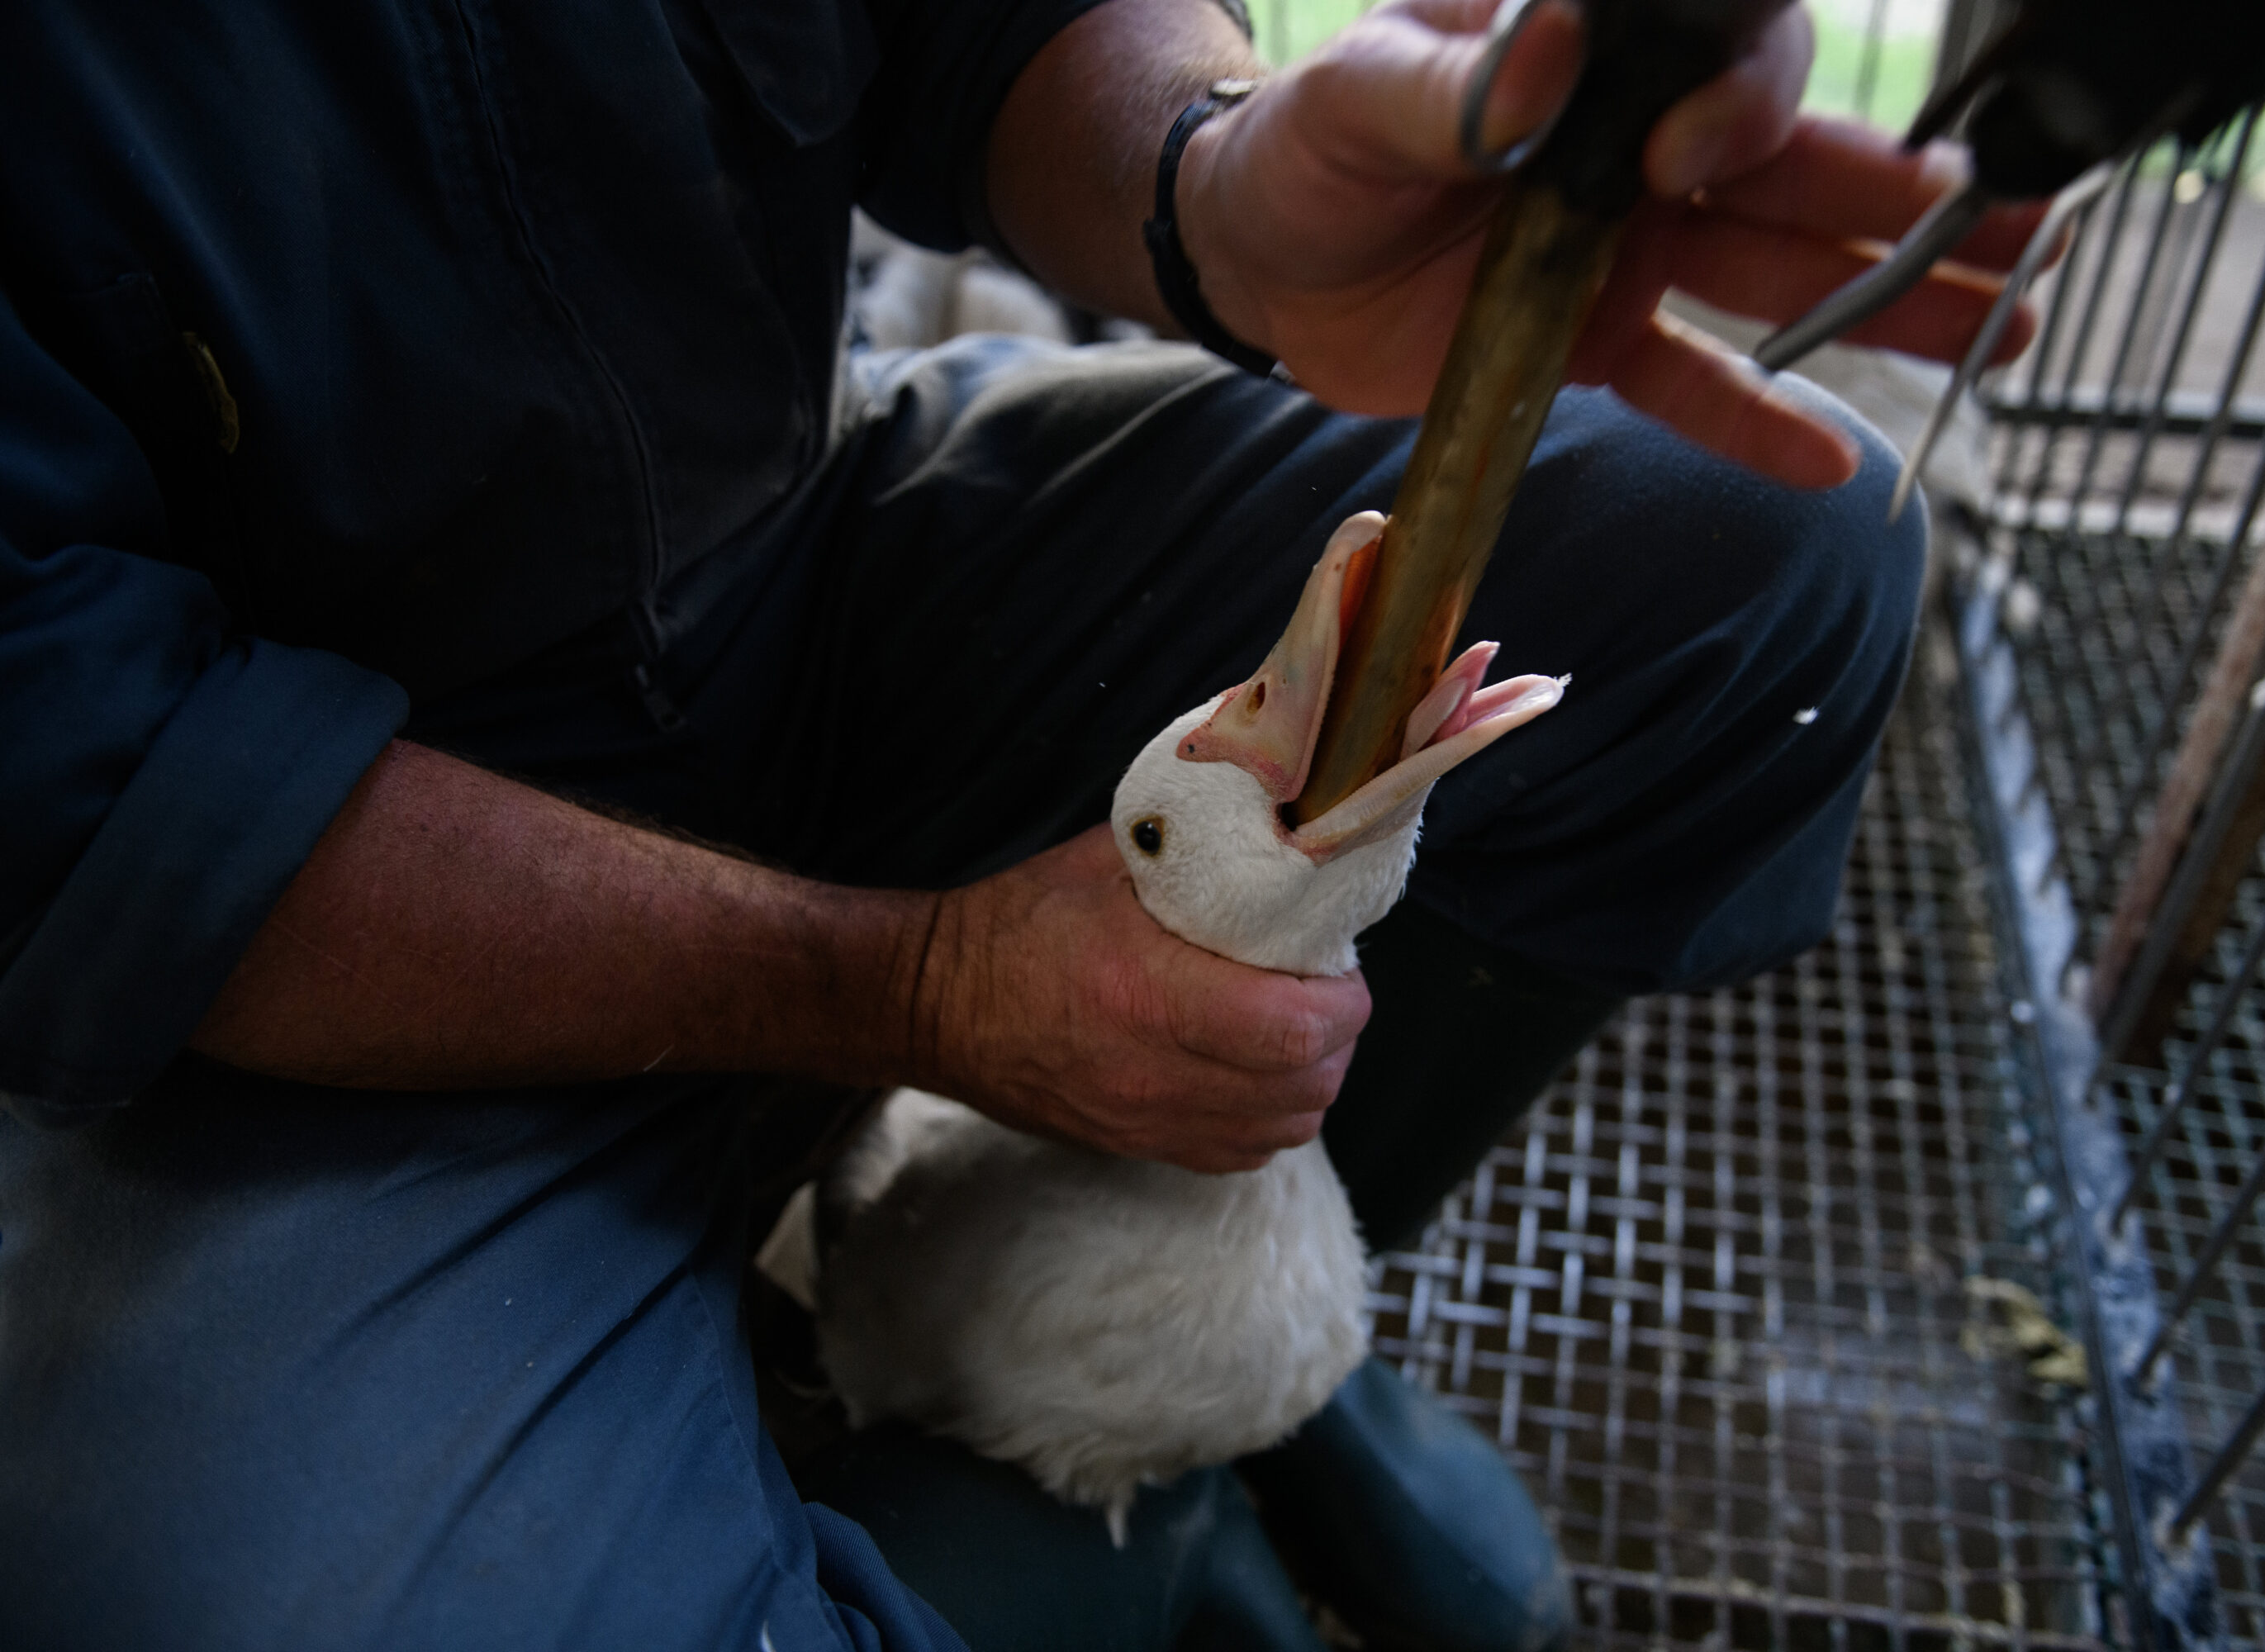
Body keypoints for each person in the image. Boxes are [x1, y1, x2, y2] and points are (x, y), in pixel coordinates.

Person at [0, 0, 2041, 1646]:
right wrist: (930, 986)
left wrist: (1217, 178)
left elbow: (977, 35)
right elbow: (83, 774)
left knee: (1780, 537)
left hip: (781, 558)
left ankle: (1247, 1381)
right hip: (255, 894)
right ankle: (1075, 1520)